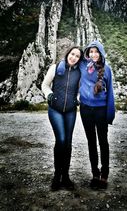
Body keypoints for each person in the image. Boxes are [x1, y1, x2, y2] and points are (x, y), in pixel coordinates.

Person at [41, 46, 83, 191]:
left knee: (68, 142)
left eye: (77, 56)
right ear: (68, 54)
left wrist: (77, 99)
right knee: (61, 140)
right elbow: (45, 85)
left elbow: (80, 90)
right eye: (72, 54)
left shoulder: (79, 72)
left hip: (71, 110)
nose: (74, 57)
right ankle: (56, 176)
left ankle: (65, 176)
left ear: (79, 59)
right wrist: (49, 95)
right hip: (55, 109)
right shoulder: (55, 68)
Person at [79, 40, 115, 189]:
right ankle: (95, 173)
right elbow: (71, 57)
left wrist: (110, 114)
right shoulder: (83, 66)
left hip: (100, 110)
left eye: (96, 51)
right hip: (85, 109)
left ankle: (104, 175)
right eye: (91, 51)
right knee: (91, 142)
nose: (93, 54)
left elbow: (110, 94)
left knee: (103, 141)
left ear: (101, 53)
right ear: (88, 53)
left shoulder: (107, 70)